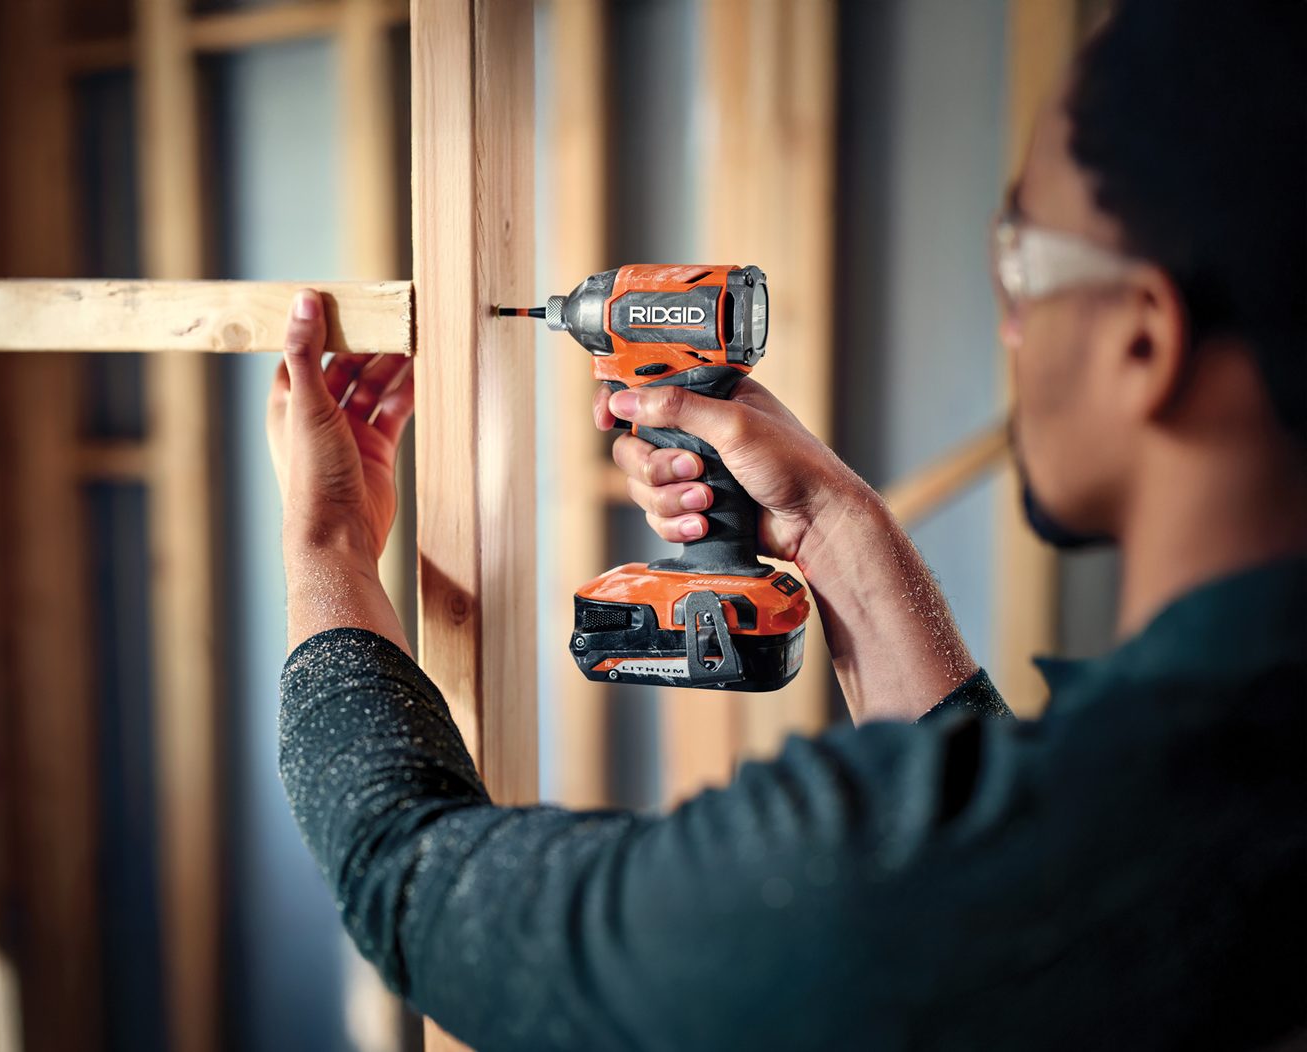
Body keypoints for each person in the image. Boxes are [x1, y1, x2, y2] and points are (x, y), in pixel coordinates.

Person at [263, 0, 1305, 1047]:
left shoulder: (958, 878)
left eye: (1025, 260)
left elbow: (418, 881)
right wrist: (830, 524)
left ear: (1144, 339)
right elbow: (1004, 844)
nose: (1008, 321)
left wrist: (329, 544)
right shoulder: (1210, 799)